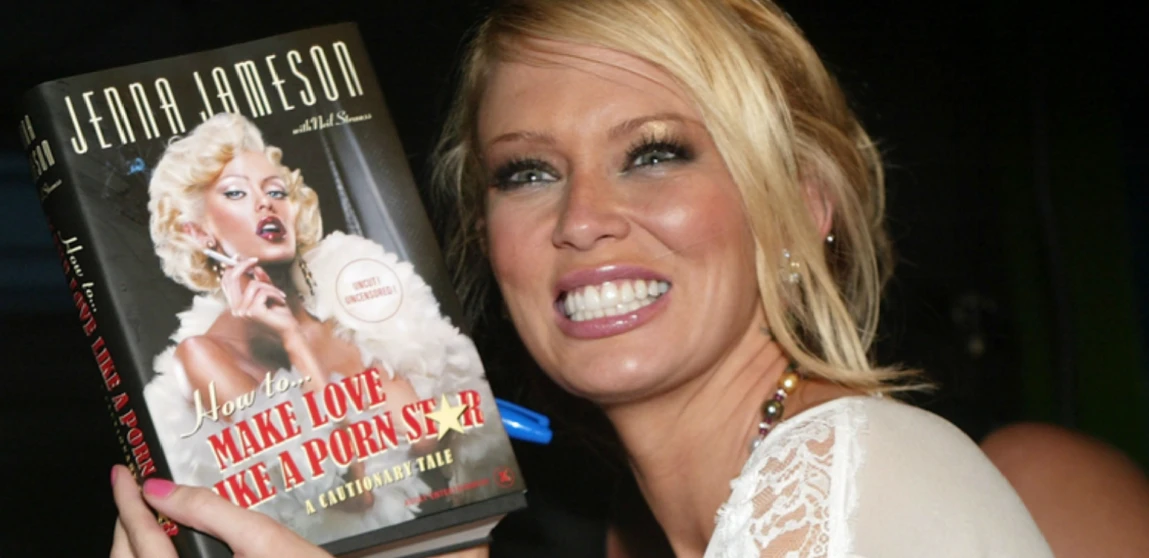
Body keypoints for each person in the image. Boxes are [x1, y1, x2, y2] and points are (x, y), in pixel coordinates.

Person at [111, 1, 1148, 557]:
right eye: (527, 173)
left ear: (801, 207)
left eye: (655, 153)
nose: (581, 220)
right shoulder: (622, 532)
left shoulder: (856, 472)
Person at [123, 112, 503, 550]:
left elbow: (428, 439)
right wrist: (295, 344)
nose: (265, 204)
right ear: (198, 232)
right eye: (236, 193)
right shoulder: (203, 356)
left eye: (275, 191)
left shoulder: (348, 306)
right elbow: (352, 492)